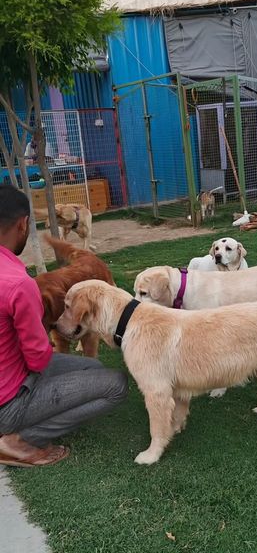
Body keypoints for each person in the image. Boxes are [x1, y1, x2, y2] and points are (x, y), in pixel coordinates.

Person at [0, 185, 128, 467]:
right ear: (22, 225)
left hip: (10, 378)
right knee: (116, 385)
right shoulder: (19, 284)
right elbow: (36, 359)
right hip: (8, 401)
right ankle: (18, 439)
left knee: (93, 367)